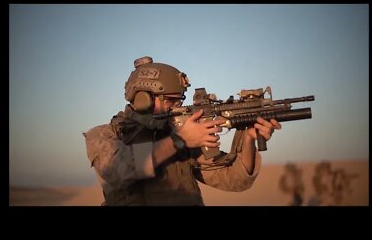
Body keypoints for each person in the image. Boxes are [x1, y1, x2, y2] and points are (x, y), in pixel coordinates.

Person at [83, 56, 282, 206]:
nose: (177, 107)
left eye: (180, 100)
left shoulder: (179, 137)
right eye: (171, 100)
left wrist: (248, 138)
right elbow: (120, 171)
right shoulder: (103, 135)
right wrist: (180, 140)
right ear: (143, 99)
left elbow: (234, 180)